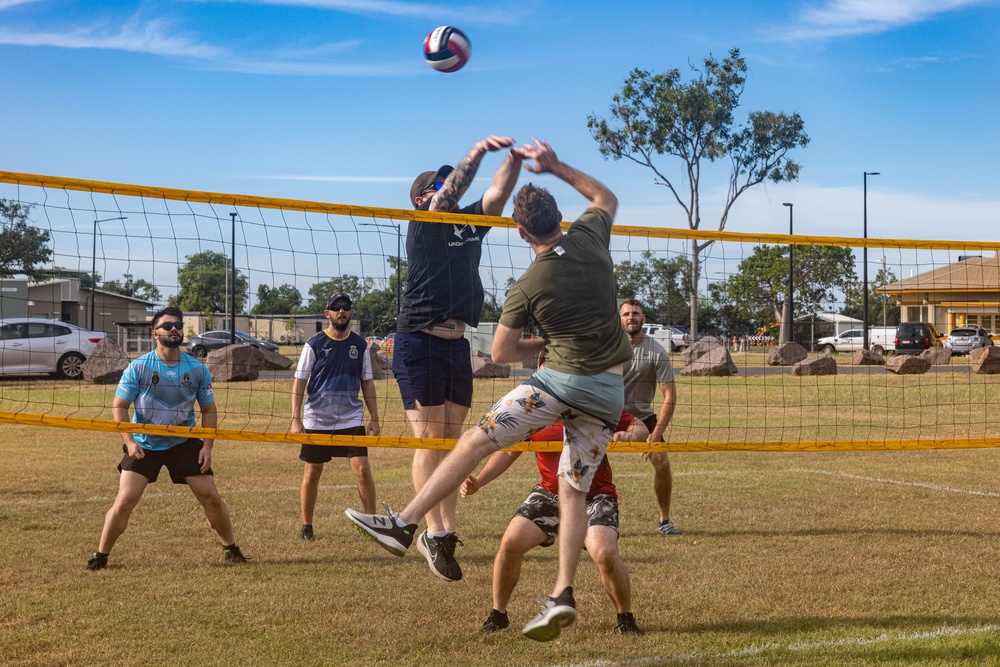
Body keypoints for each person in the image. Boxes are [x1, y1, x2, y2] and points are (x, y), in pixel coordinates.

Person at [347, 138, 631, 642]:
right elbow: (605, 197)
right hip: (609, 393)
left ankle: (405, 524)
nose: (445, 188)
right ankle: (561, 593)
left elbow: (500, 354)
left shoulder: (527, 282)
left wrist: (490, 155)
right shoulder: (590, 237)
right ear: (561, 216)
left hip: (558, 381)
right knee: (572, 489)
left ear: (520, 234)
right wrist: (552, 164)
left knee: (476, 439)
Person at [391, 134, 522, 582]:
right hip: (419, 341)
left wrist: (514, 159)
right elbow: (453, 191)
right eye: (441, 185)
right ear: (421, 197)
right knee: (430, 439)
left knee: (453, 441)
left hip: (456, 344)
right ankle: (434, 531)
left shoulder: (469, 224)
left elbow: (499, 193)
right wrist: (477, 153)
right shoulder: (423, 221)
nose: (451, 189)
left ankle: (443, 535)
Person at [87, 306, 248, 570]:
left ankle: (231, 549)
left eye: (178, 325)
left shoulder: (197, 369)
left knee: (210, 496)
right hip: (145, 442)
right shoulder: (139, 367)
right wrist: (130, 442)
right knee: (125, 500)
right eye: (168, 325)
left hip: (184, 441)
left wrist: (208, 446)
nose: (175, 329)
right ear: (155, 333)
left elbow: (209, 409)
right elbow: (119, 406)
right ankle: (100, 556)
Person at [462, 405, 646, 636]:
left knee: (604, 553)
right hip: (550, 493)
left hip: (594, 494)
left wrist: (630, 435)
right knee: (510, 543)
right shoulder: (532, 407)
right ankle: (498, 617)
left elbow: (640, 426)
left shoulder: (594, 401)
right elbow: (510, 450)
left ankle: (625, 617)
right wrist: (479, 481)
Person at [291, 291, 381, 541]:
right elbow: (299, 382)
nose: (341, 311)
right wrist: (295, 419)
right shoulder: (315, 344)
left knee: (362, 470)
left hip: (351, 419)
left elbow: (368, 382)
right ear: (327, 313)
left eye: (346, 307)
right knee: (312, 472)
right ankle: (306, 526)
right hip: (317, 419)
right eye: (336, 307)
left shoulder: (360, 345)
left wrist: (374, 417)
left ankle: (371, 523)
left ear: (351, 313)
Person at [620, 298, 679, 535]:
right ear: (620, 319)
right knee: (586, 460)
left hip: (643, 416)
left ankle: (664, 521)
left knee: (662, 462)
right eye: (626, 314)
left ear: (643, 319)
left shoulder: (657, 351)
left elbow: (670, 396)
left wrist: (656, 434)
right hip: (610, 414)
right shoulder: (608, 347)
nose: (631, 317)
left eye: (635, 313)